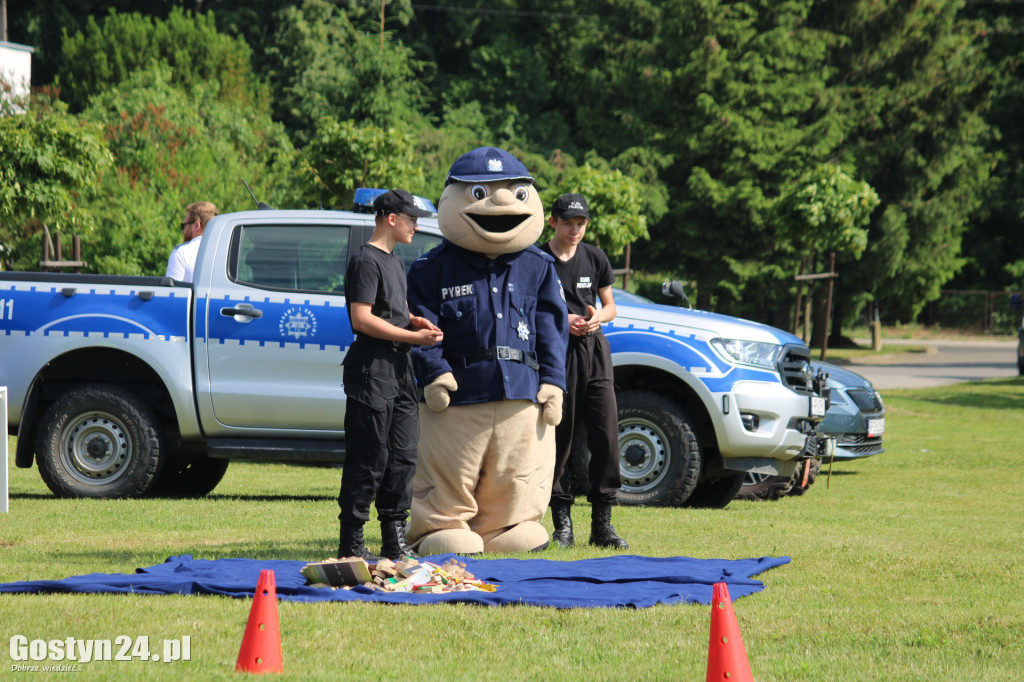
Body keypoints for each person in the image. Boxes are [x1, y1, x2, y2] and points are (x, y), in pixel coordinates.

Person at [337, 189, 443, 561]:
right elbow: (362, 319)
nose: (416, 226)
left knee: (403, 455)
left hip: (400, 369)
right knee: (370, 456)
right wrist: (414, 337)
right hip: (372, 369)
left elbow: (392, 309)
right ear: (391, 218)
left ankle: (394, 541)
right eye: (411, 218)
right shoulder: (365, 260)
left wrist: (413, 319)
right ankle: (351, 540)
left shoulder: (395, 262)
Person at [540, 193, 628, 549]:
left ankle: (602, 525)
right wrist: (565, 320)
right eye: (567, 223)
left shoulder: (595, 257)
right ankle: (563, 525)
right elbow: (529, 309)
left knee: (606, 437)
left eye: (581, 224)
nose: (574, 230)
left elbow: (610, 307)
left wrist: (596, 319)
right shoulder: (537, 258)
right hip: (556, 356)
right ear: (553, 222)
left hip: (594, 354)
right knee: (559, 440)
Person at [166, 201, 218, 282]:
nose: (183, 231)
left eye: (184, 225)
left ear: (197, 225)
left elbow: (172, 291)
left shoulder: (181, 252)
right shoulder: (224, 253)